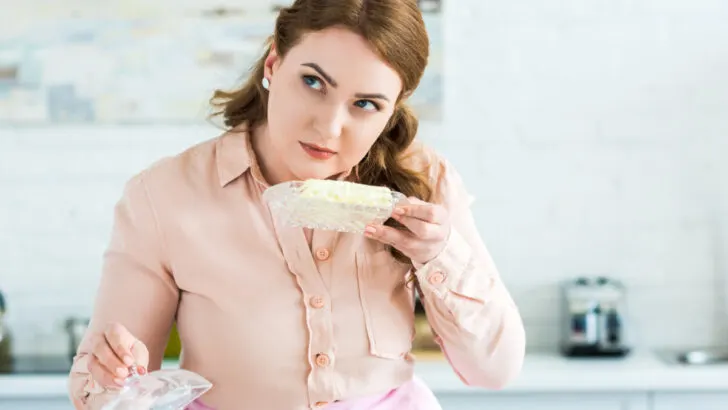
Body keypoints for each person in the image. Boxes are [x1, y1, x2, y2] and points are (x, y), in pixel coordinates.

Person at [67, 0, 526, 409]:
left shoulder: (425, 182)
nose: (329, 127)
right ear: (273, 64)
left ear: (391, 112)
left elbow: (496, 369)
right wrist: (112, 377)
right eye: (312, 82)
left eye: (365, 104)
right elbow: (97, 392)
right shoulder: (164, 194)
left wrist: (438, 255)